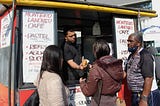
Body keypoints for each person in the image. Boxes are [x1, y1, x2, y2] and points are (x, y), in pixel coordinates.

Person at [79, 39, 124, 106]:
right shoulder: (116, 64)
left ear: (95, 52)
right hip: (114, 100)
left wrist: (82, 83)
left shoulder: (97, 68)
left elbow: (88, 91)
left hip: (100, 101)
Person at [126, 32, 154, 106]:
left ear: (138, 43)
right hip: (134, 95)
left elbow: (149, 78)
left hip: (141, 95)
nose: (128, 43)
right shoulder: (131, 56)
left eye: (131, 41)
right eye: (128, 41)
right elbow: (127, 73)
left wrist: (144, 99)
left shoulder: (145, 56)